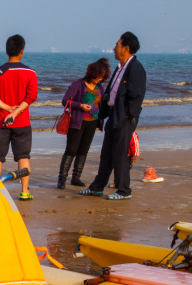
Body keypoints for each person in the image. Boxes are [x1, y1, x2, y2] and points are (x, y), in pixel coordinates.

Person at [79, 31, 146, 200]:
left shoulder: (136, 68)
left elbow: (136, 95)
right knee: (107, 153)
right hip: (113, 115)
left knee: (120, 153)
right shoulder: (120, 67)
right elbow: (112, 92)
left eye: (117, 45)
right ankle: (97, 187)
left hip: (124, 117)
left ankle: (124, 190)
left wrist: (127, 115)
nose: (114, 48)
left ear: (126, 48)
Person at [0, 34, 37, 200]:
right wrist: (16, 111)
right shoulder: (30, 72)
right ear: (22, 51)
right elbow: (31, 96)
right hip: (22, 122)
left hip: (1, 122)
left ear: (7, 50)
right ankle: (25, 191)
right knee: (23, 157)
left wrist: (8, 108)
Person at [57, 58, 110, 189]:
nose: (100, 80)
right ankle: (62, 179)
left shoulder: (100, 88)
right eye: (98, 77)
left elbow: (103, 103)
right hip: (77, 123)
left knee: (83, 151)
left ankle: (76, 178)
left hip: (92, 123)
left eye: (102, 78)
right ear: (92, 73)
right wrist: (80, 105)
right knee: (71, 150)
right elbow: (65, 101)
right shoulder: (78, 85)